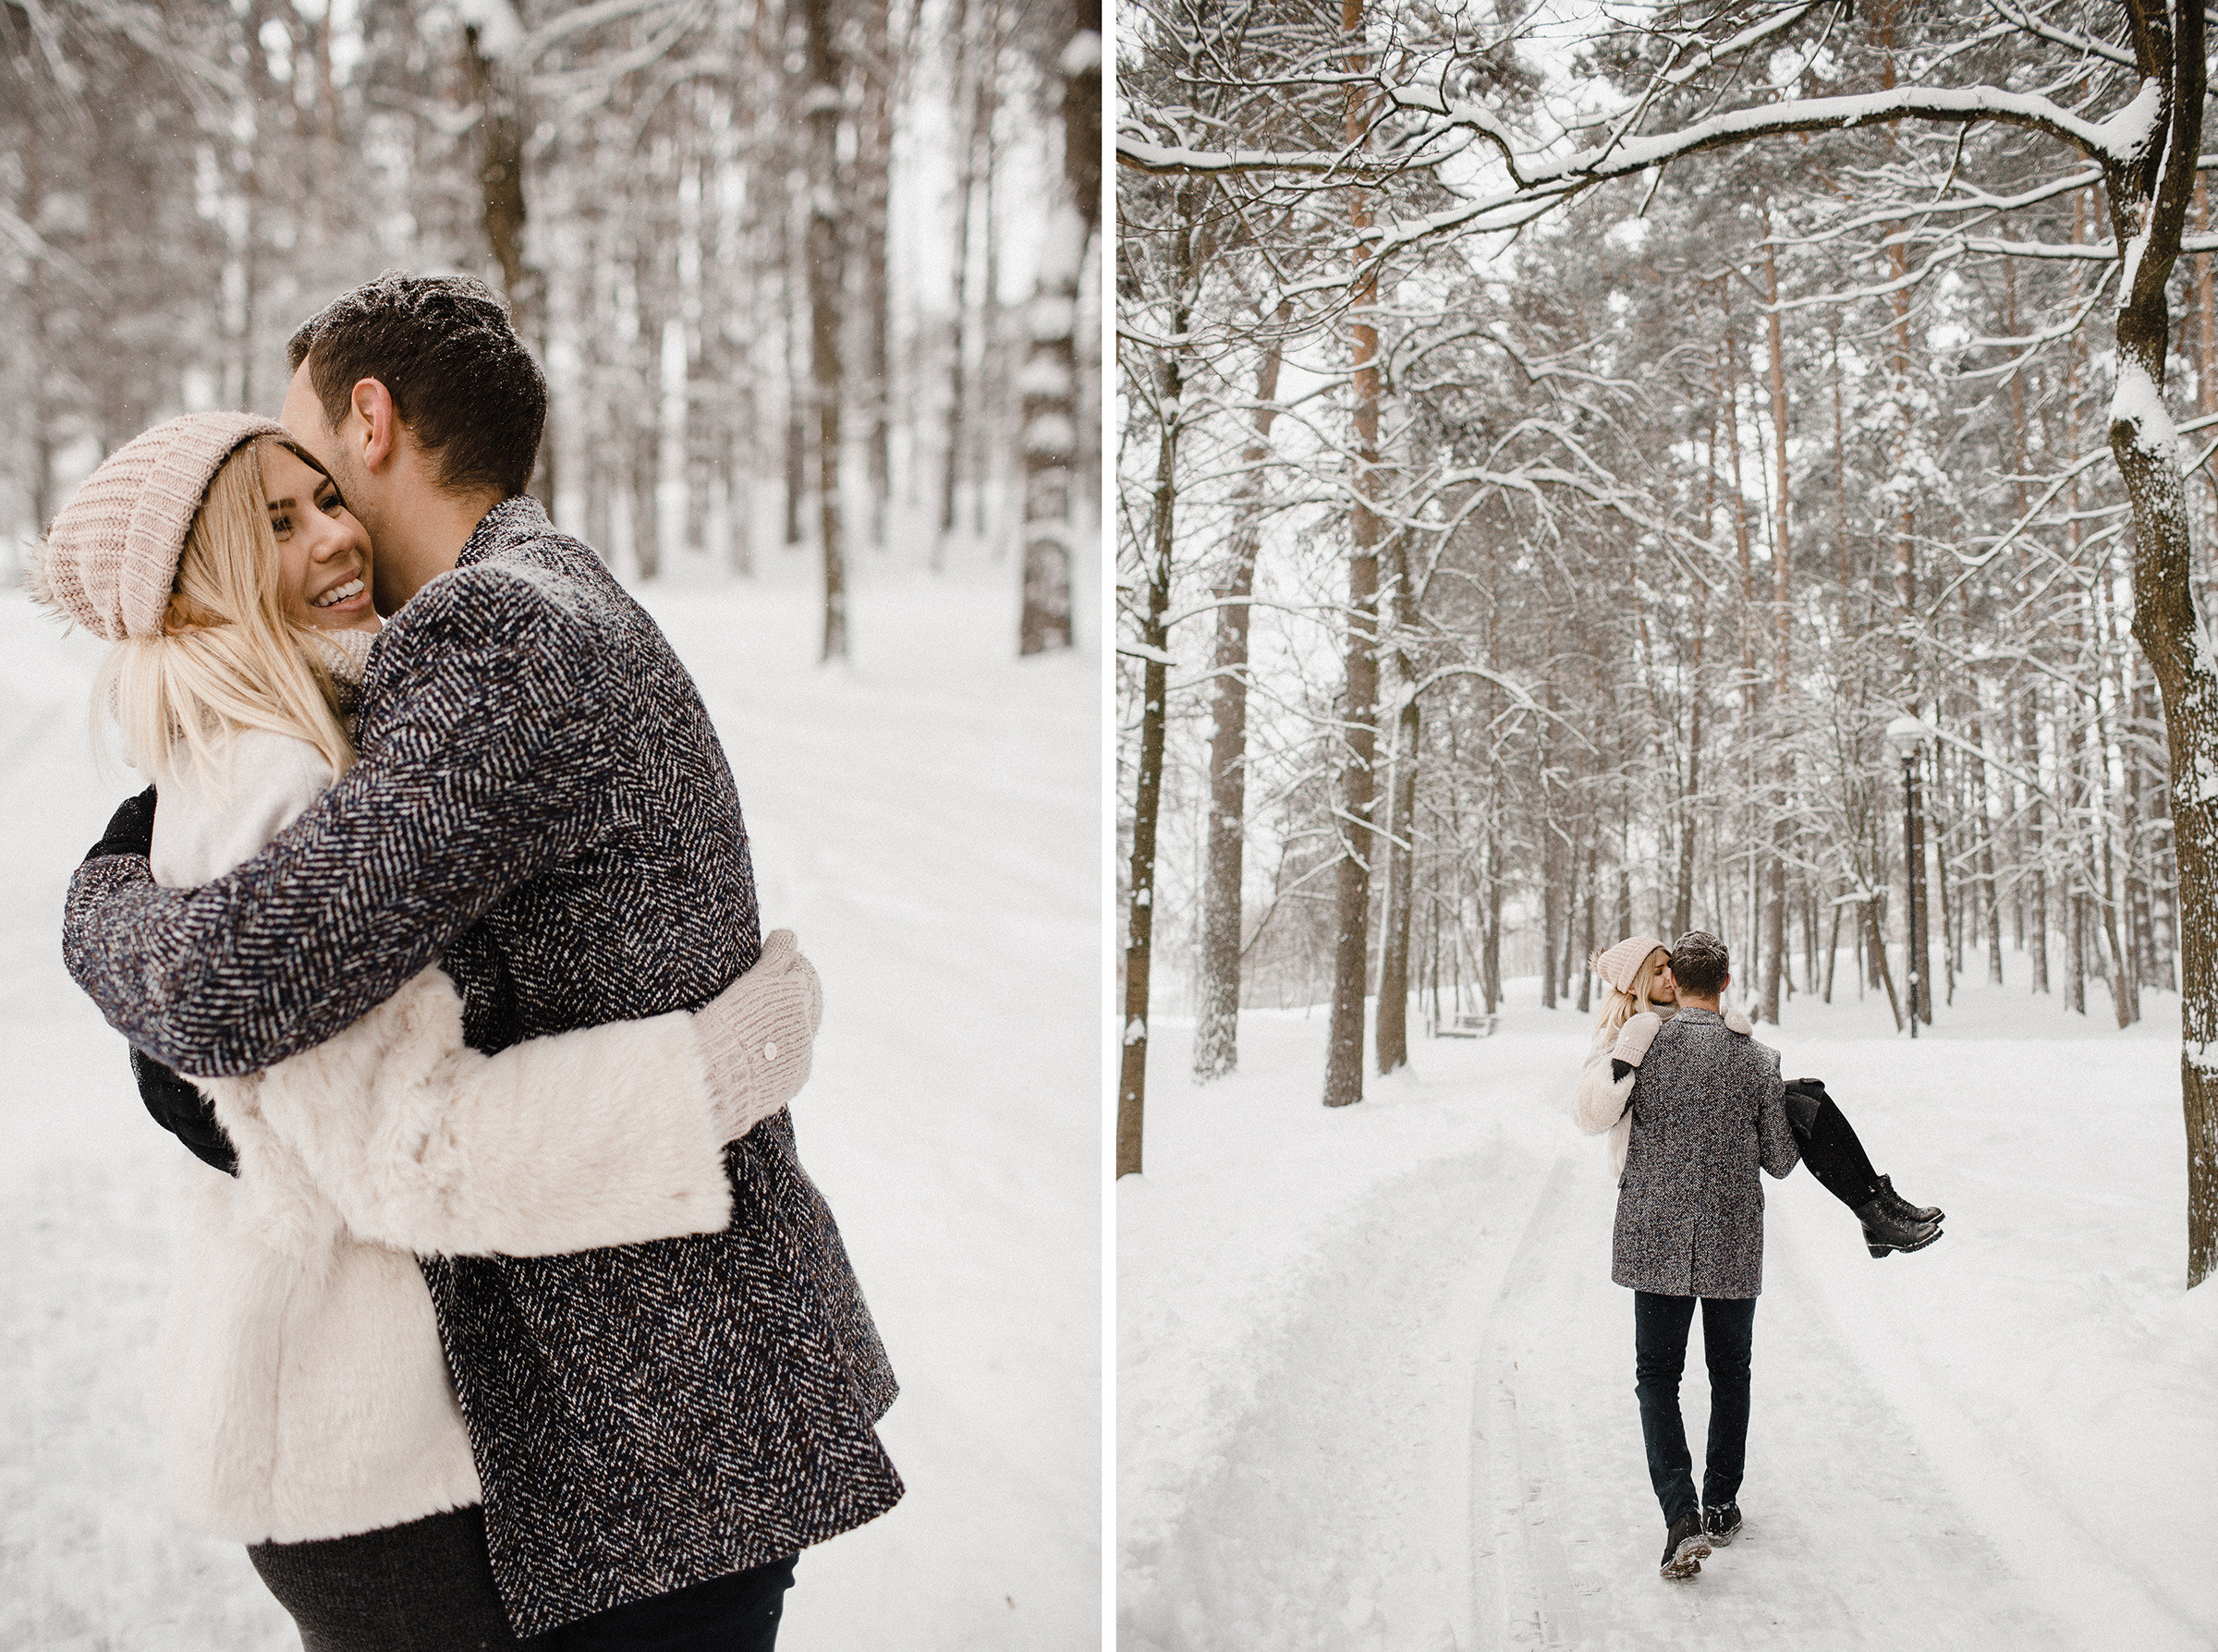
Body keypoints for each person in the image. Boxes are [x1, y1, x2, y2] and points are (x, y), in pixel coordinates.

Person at [59, 273, 900, 1648]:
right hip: (657, 1423)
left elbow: (235, 983)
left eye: (310, 467)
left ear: (369, 420)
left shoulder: (497, 635)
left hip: (654, 1425)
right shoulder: (536, 609)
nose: (321, 521)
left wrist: (88, 903)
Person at [1594, 931, 1799, 1581]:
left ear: (1674, 984)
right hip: (1733, 1234)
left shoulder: (1646, 1049)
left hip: (1654, 1231)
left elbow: (1602, 1109)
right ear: (1727, 984)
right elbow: (1780, 1160)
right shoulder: (1758, 1059)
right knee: (1730, 1371)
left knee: (1658, 1378)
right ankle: (1721, 1502)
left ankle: (1678, 1515)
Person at [1570, 933, 1942, 1257]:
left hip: (1709, 1138)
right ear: (1633, 983)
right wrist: (1622, 1062)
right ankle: (1872, 1213)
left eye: (1670, 966)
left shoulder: (1680, 1018)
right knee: (1798, 1103)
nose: (1671, 975)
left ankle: (1877, 1203)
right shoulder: (1621, 1032)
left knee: (1808, 1098)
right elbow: (1588, 1115)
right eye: (1657, 971)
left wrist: (1729, 1034)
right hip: (1657, 1166)